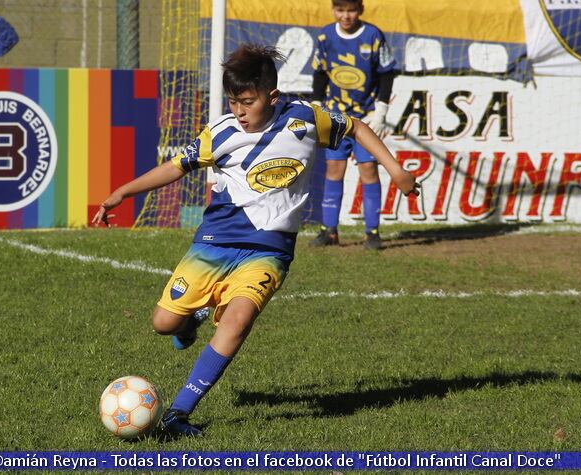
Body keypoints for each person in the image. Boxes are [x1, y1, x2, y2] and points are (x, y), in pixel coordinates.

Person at [92, 44, 418, 437]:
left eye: (247, 102)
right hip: (214, 243)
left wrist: (396, 170)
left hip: (270, 250)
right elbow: (175, 167)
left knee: (239, 319)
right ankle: (190, 322)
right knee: (163, 322)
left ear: (273, 96)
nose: (239, 111)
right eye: (233, 102)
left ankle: (178, 413)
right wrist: (123, 193)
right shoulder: (220, 133)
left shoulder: (305, 119)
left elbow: (358, 127)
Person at [308, 0, 397, 250]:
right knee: (334, 169)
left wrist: (381, 110)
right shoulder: (326, 36)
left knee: (368, 170)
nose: (345, 16)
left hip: (366, 119)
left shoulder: (373, 35)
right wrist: (316, 103)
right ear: (334, 10)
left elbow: (387, 73)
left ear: (360, 10)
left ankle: (373, 233)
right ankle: (329, 231)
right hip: (337, 118)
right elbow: (320, 72)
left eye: (351, 10)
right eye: (340, 10)